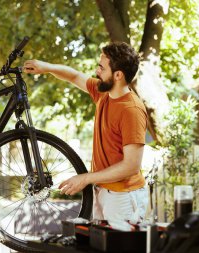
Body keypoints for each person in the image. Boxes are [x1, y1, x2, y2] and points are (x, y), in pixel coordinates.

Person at [23, 42, 148, 223]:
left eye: (101, 68)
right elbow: (74, 76)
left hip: (123, 197)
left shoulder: (131, 110)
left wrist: (85, 178)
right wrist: (45, 68)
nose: (97, 71)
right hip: (103, 191)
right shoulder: (104, 93)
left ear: (118, 75)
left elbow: (131, 166)